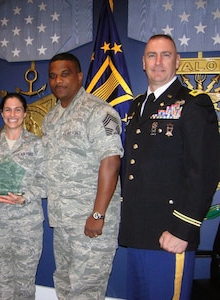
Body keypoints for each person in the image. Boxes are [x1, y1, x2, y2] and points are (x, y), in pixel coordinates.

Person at [119, 34, 220, 300]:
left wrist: (182, 229)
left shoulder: (194, 104)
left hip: (169, 233)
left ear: (177, 61)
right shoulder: (138, 106)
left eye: (166, 55)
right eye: (152, 55)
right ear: (143, 62)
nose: (158, 61)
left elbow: (205, 171)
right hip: (137, 230)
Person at [42, 52, 124, 299]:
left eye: (65, 74)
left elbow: (111, 161)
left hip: (91, 219)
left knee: (86, 289)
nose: (58, 81)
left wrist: (98, 214)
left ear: (79, 77)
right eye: (53, 76)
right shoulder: (51, 118)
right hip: (63, 220)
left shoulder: (99, 112)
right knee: (65, 284)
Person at [0, 92, 45, 300]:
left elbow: (47, 181)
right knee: (1, 282)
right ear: (1, 113)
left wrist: (25, 197)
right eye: (8, 109)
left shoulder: (37, 145)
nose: (12, 114)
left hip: (28, 225)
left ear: (24, 113)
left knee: (24, 284)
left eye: (17, 109)